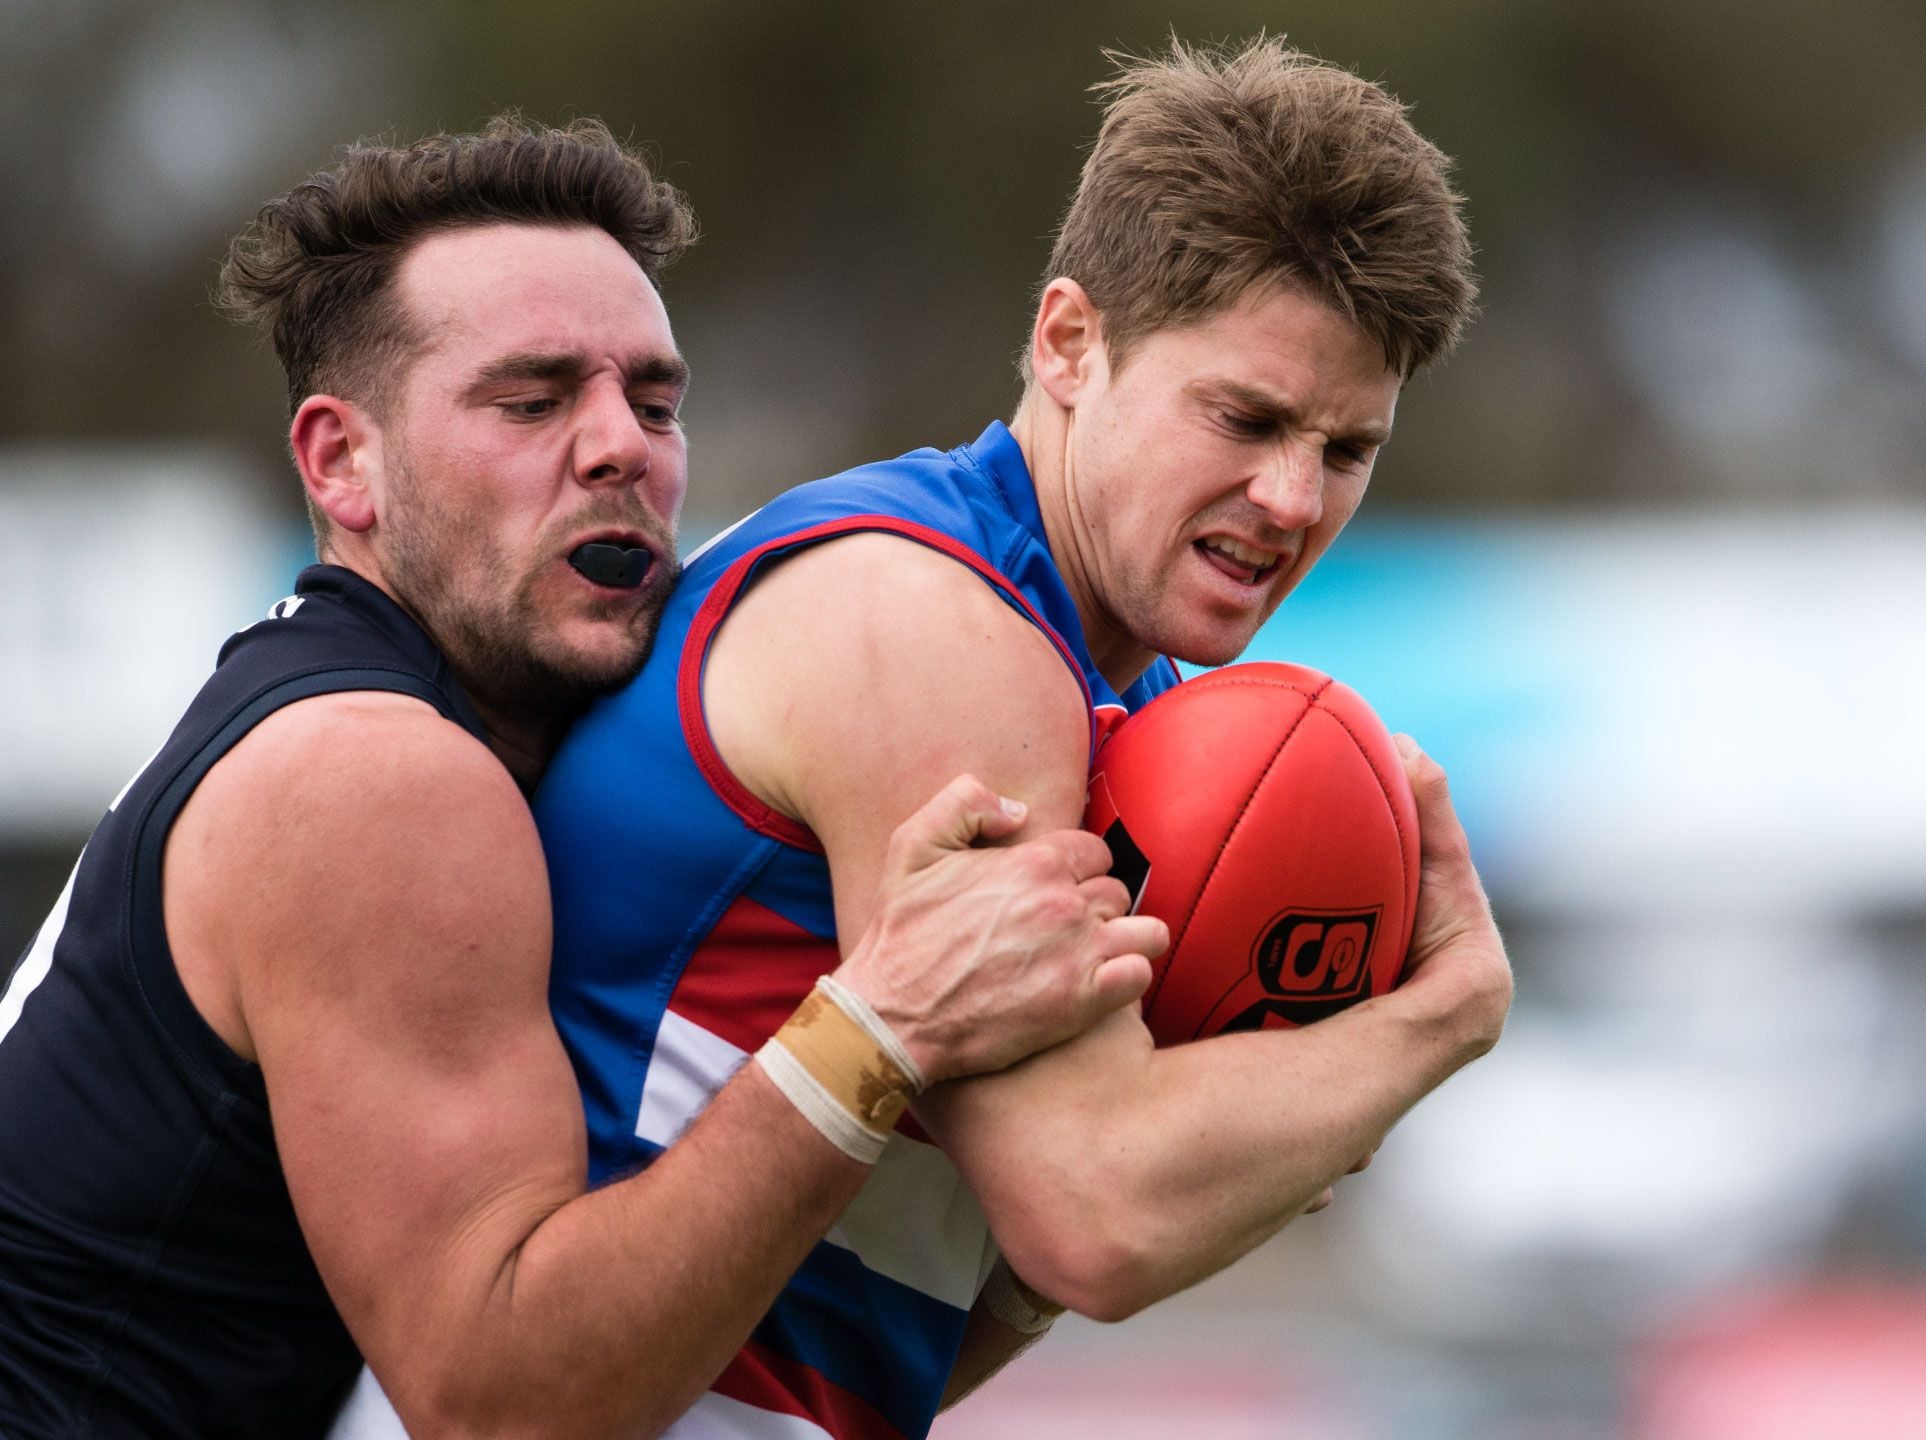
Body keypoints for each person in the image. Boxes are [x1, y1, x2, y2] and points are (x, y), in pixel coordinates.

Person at [335, 38, 1516, 1440]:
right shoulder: (936, 628)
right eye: (1245, 416)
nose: (1288, 495)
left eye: (1346, 448)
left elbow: (903, 1339)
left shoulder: (1120, 705)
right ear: (1070, 342)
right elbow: (1100, 1218)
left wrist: (1258, 1129)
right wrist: (1445, 1016)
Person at [0, 119, 1165, 1440]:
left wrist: (1025, 1258)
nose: (626, 449)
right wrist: (876, 1026)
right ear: (341, 462)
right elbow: (503, 1408)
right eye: (533, 399)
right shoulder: (379, 775)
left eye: (656, 402)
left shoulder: (429, 726)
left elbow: (710, 1351)